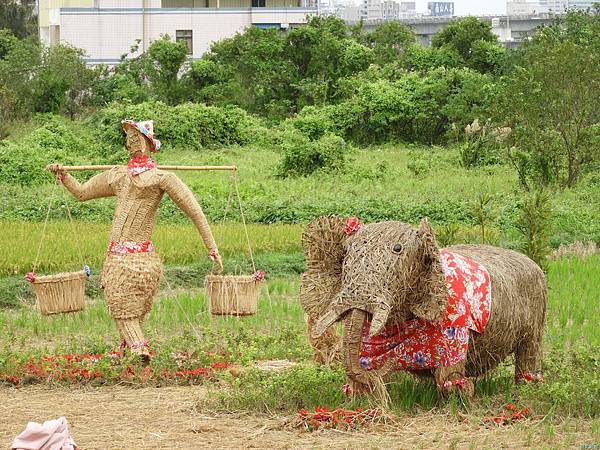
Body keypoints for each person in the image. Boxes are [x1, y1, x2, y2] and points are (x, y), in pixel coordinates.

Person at [47, 120, 223, 361]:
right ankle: (126, 355)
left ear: (149, 144)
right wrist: (64, 176)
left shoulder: (161, 178)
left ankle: (140, 352)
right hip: (124, 258)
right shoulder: (118, 176)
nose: (131, 144)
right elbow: (82, 192)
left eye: (136, 139)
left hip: (130, 262)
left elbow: (194, 211)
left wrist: (212, 248)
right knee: (129, 312)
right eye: (128, 140)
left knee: (124, 313)